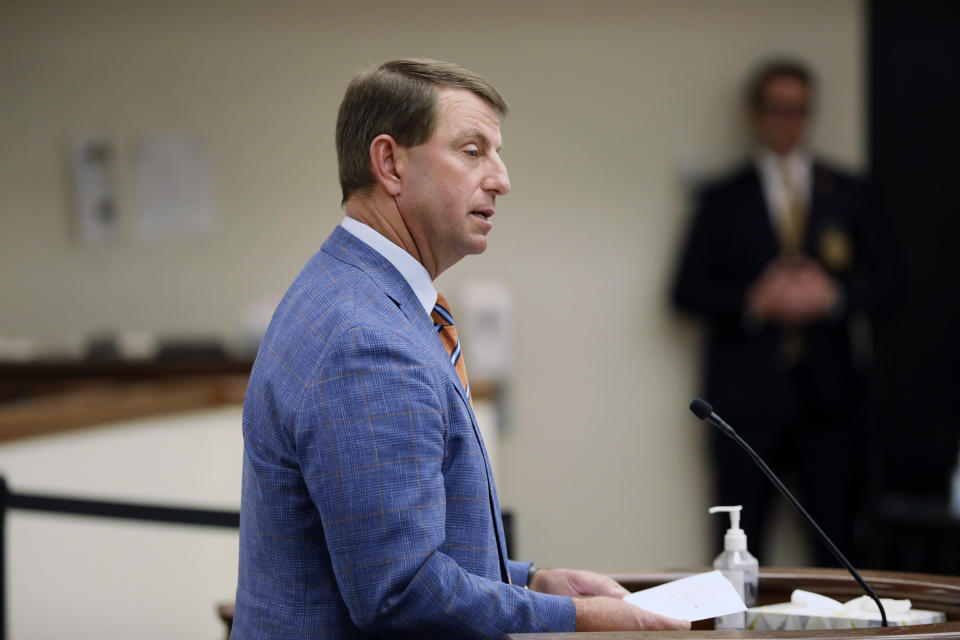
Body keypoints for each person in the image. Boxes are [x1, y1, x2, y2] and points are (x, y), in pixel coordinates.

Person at [230, 59, 689, 638]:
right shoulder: (366, 340)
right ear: (390, 163)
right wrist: (580, 620)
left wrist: (528, 581)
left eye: (496, 153)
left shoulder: (356, 292)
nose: (501, 178)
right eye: (473, 151)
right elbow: (400, 592)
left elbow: (398, 548)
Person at [671, 60, 898, 567]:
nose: (788, 122)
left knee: (838, 545)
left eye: (798, 111)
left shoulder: (851, 192)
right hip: (746, 404)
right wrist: (756, 299)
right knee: (737, 546)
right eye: (777, 110)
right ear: (755, 115)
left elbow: (890, 283)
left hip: (832, 401)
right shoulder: (722, 197)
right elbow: (685, 292)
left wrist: (831, 295)